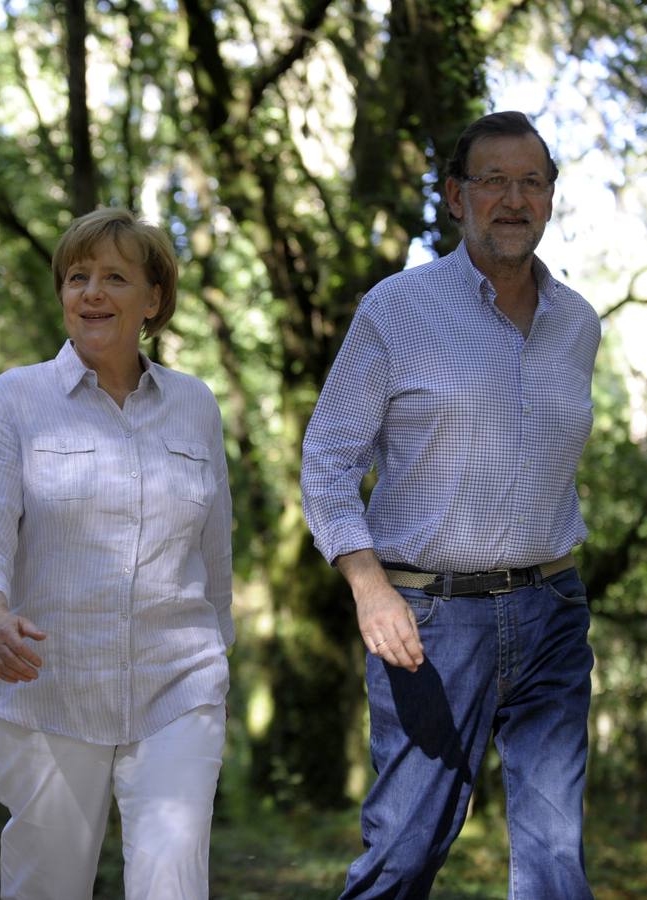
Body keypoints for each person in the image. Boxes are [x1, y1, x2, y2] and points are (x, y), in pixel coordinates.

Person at [301, 111, 600, 898]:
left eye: (529, 181)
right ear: (453, 196)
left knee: (555, 858)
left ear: (547, 198)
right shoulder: (396, 310)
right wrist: (368, 586)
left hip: (552, 614)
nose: (512, 198)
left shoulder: (577, 323)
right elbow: (328, 461)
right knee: (404, 852)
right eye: (492, 180)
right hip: (427, 623)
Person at [0, 207, 233, 900]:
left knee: (171, 884)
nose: (92, 293)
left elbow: (214, 549)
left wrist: (217, 652)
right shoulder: (16, 399)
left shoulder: (194, 405)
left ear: (153, 300)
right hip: (49, 687)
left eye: (114, 277)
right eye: (78, 277)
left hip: (178, 685)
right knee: (48, 886)